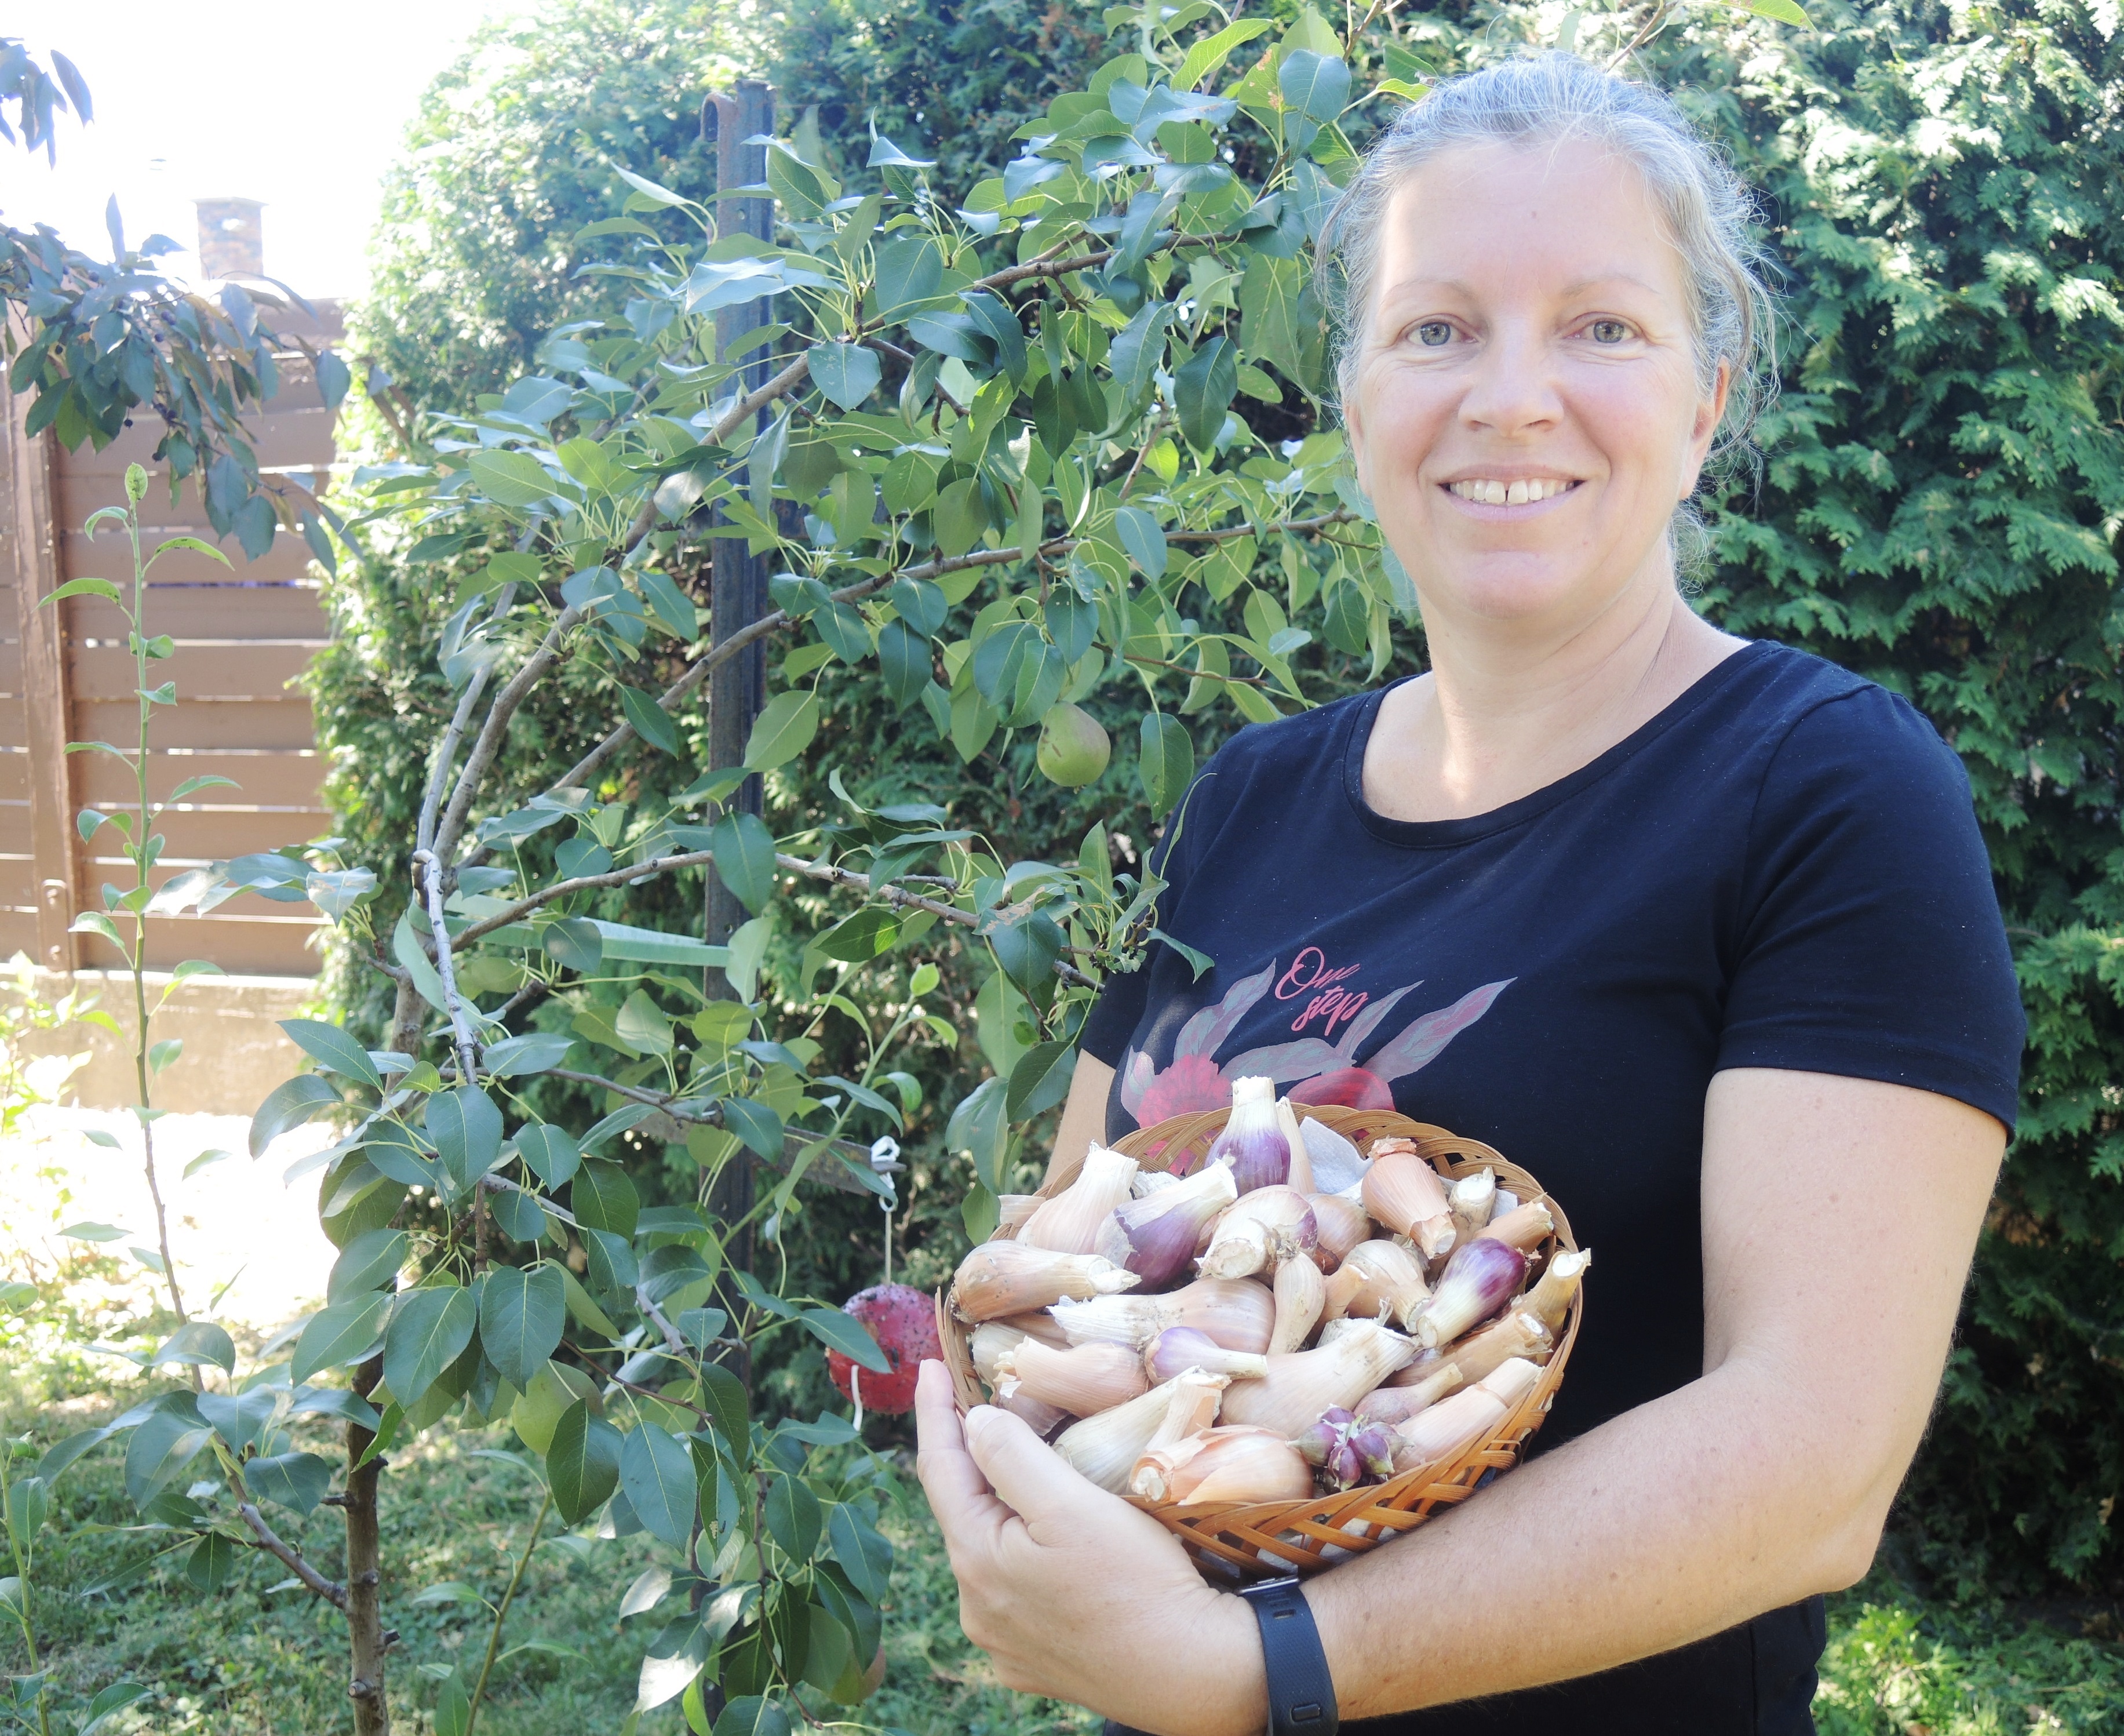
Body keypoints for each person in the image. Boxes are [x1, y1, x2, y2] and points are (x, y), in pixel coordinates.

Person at [914, 50, 2024, 1736]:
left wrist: (1262, 1670)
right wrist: (1000, 1452)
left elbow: (1814, 1458)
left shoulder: (1826, 790)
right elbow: (1073, 1258)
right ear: (1357, 401)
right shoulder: (1249, 796)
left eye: (1601, 326)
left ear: (1705, 400)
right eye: (1436, 328)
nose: (1511, 397)